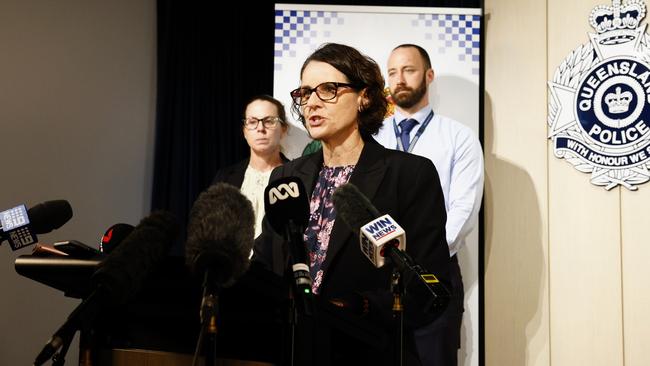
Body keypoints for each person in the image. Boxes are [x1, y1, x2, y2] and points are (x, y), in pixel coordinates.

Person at [253, 43, 451, 365]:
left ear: (365, 97)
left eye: (328, 89)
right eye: (304, 93)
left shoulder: (409, 174)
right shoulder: (287, 176)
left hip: (367, 350)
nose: (312, 102)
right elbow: (266, 261)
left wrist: (362, 307)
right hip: (290, 349)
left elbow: (429, 283)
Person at [375, 44, 484, 366]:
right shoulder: (371, 138)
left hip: (433, 274)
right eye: (393, 72)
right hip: (376, 275)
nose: (400, 79)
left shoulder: (459, 137)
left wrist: (416, 262)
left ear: (428, 75)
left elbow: (463, 211)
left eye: (408, 70)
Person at [213, 95, 289, 238]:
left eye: (269, 121)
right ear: (244, 131)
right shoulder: (224, 177)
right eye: (252, 122)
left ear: (283, 129)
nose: (260, 128)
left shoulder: (296, 177)